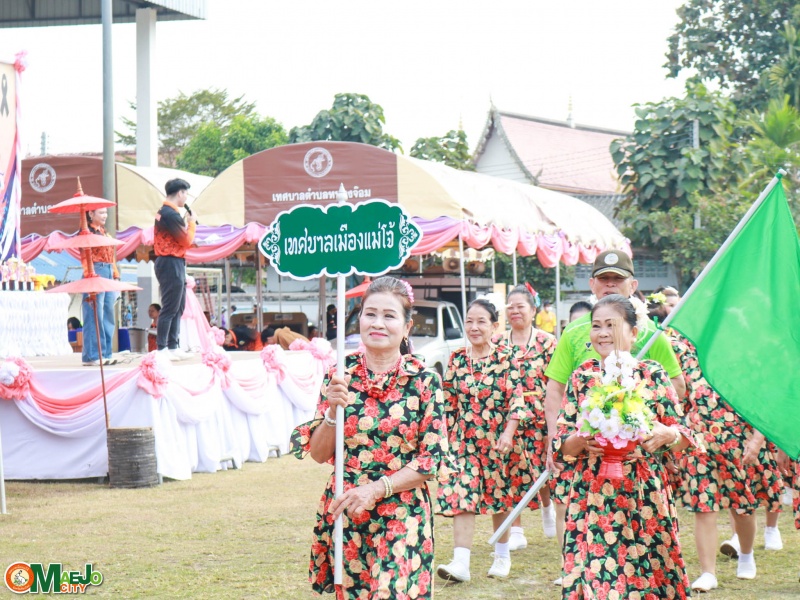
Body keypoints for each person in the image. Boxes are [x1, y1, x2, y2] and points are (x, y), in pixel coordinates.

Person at [290, 276, 449, 598]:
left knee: (393, 591)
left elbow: (430, 460)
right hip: (347, 508)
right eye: (370, 314)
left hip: (403, 510)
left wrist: (376, 489)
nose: (378, 323)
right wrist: (332, 413)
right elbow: (319, 454)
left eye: (389, 316)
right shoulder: (339, 375)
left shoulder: (424, 381)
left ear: (406, 327)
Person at [543, 250, 686, 586]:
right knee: (597, 579)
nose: (603, 333)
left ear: (634, 333)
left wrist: (668, 435)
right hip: (592, 496)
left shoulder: (652, 374)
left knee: (647, 579)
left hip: (644, 495)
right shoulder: (582, 377)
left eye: (612, 325)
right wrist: (580, 440)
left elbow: (684, 437)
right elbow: (561, 444)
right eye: (596, 326)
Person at [436, 298, 528, 582]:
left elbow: (517, 401)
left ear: (494, 326)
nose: (474, 327)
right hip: (463, 442)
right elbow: (448, 403)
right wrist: (444, 439)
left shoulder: (506, 358)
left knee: (498, 499)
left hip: (498, 441)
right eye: (469, 322)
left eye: (481, 322)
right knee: (462, 494)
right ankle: (460, 563)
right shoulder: (457, 358)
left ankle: (502, 556)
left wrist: (508, 433)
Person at [497, 285, 558, 550]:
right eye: (510, 307)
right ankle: (517, 530)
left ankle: (547, 507)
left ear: (533, 311)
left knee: (542, 466)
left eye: (520, 306)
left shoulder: (548, 342)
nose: (515, 311)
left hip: (540, 413)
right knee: (511, 469)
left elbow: (556, 382)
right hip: (509, 415)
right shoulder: (498, 342)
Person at [154, 178, 196, 361]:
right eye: (185, 193)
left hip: (173, 261)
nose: (186, 197)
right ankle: (162, 348)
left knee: (178, 307)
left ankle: (172, 345)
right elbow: (186, 241)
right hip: (170, 262)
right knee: (170, 307)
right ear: (180, 193)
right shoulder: (170, 214)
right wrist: (192, 223)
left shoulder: (164, 212)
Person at [81, 207, 119, 367]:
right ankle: (92, 355)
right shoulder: (86, 232)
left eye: (106, 212)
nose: (105, 216)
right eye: (101, 213)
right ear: (91, 214)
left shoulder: (103, 231)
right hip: (95, 270)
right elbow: (84, 256)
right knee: (94, 314)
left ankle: (106, 353)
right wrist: (89, 273)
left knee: (108, 314)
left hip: (108, 269)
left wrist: (115, 274)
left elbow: (111, 257)